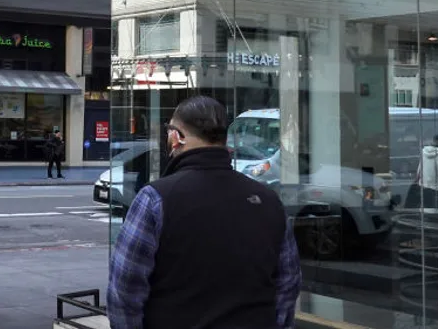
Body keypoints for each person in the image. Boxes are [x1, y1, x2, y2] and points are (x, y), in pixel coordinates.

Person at [108, 96, 301, 329]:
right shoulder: (269, 201)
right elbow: (288, 284)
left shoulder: (155, 199)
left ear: (175, 137)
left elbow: (125, 290)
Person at [413, 134, 438, 210]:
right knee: (437, 212)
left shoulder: (423, 152)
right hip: (437, 189)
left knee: (427, 210)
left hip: (424, 187)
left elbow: (419, 171)